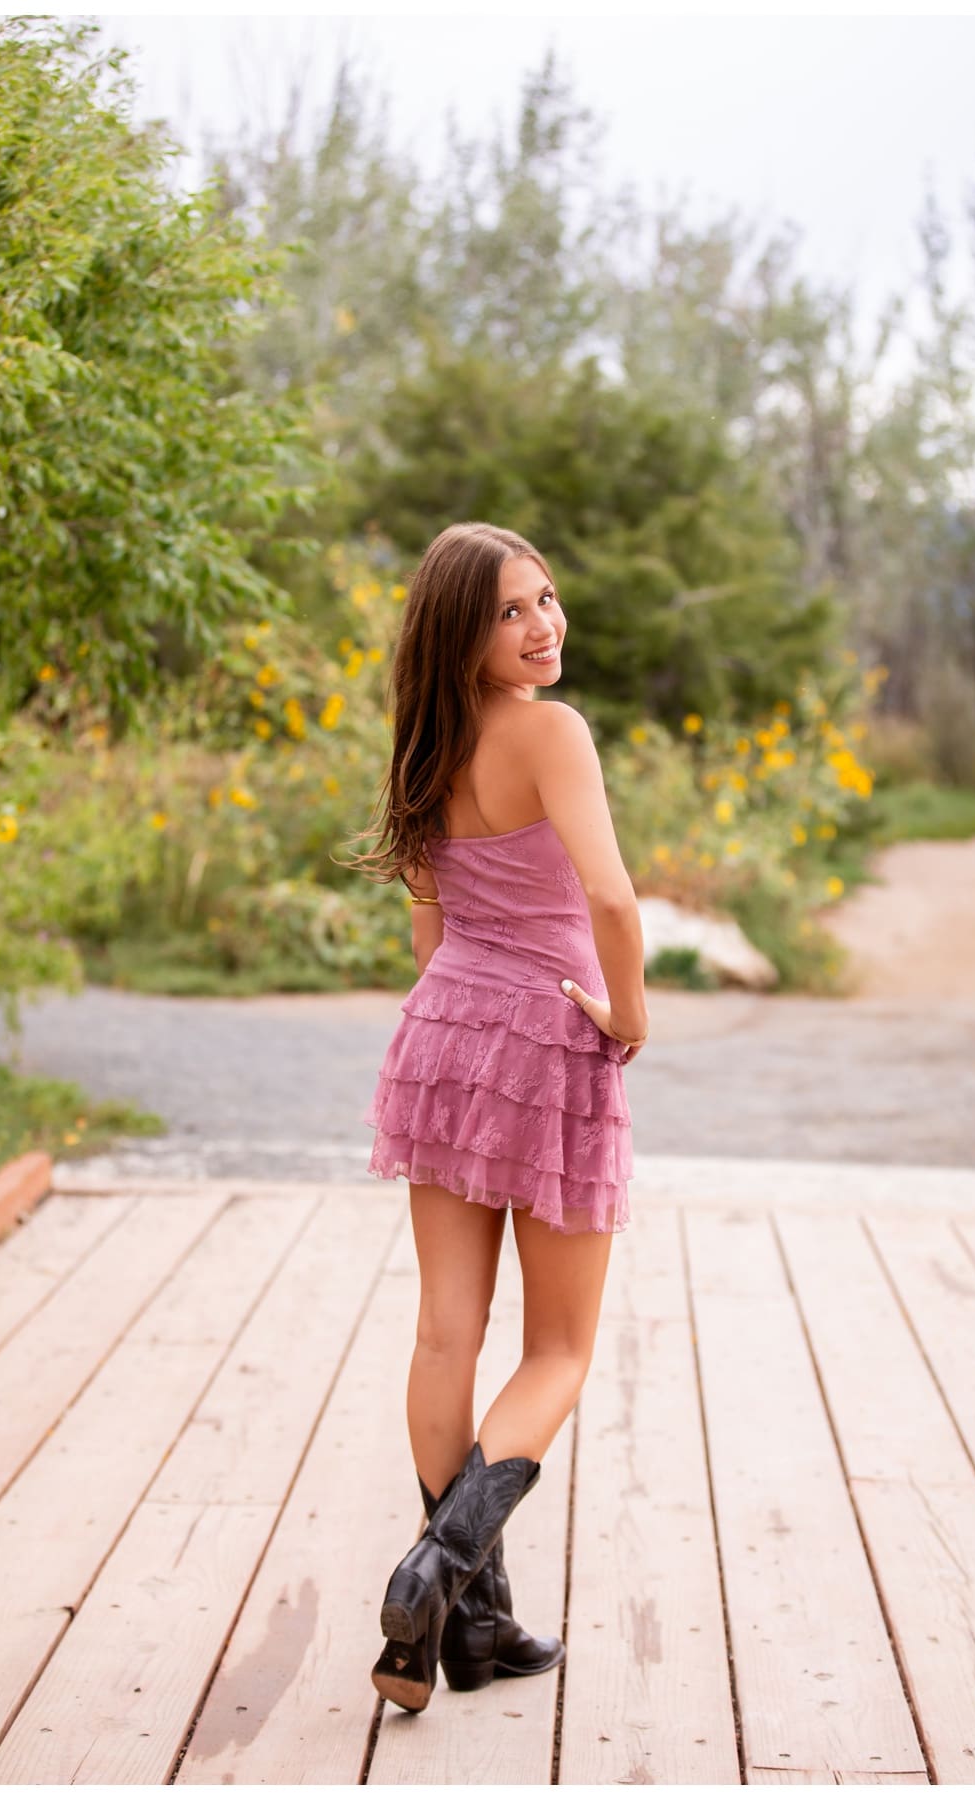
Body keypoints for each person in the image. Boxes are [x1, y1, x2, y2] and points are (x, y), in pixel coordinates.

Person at [338, 520, 650, 1714]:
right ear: (463, 634)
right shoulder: (552, 732)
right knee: (558, 1350)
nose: (543, 626)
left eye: (548, 600)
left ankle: (469, 1632)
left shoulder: (424, 742)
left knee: (442, 1334)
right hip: (553, 1037)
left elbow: (430, 942)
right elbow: (612, 899)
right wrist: (628, 1017)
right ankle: (439, 1565)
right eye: (512, 611)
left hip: (443, 1037)